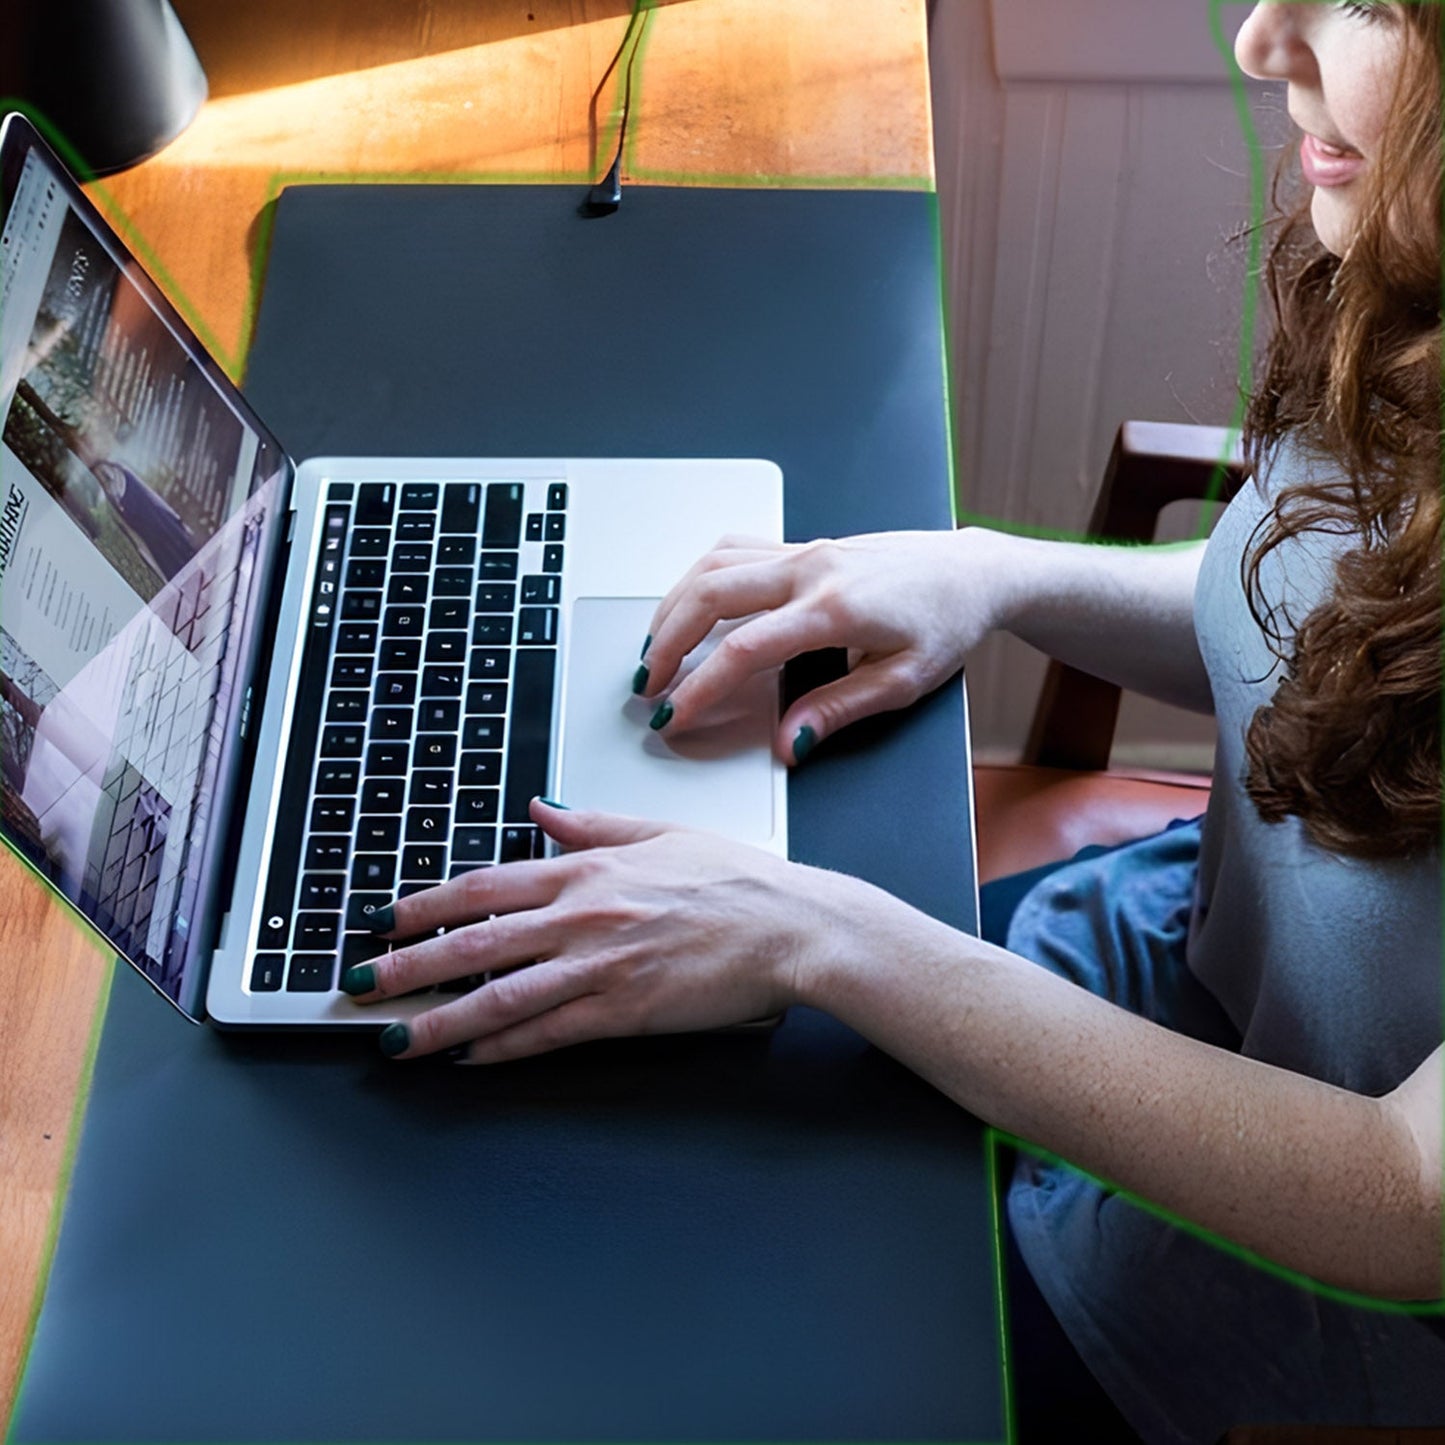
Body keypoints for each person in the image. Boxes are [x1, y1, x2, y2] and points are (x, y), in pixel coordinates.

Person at [340, 4, 1443, 1439]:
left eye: (1360, 1)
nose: (1255, 42)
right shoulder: (1411, 286)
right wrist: (991, 572)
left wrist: (826, 931)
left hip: (1299, 1258)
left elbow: (1408, 1192)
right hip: (1180, 954)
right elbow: (1327, 638)